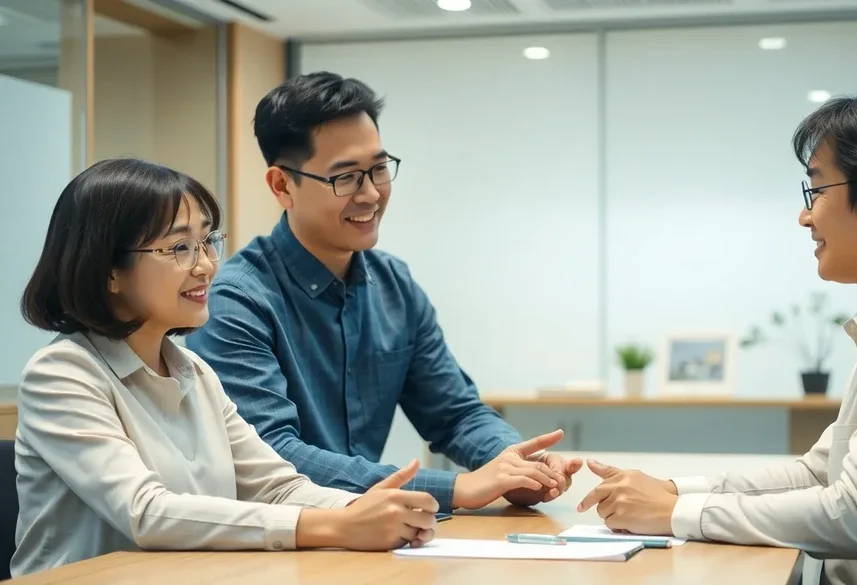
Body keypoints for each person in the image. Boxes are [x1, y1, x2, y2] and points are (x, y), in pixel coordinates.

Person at [578, 82, 857, 585]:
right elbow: (819, 472)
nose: (805, 216)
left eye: (817, 190)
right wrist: (673, 490)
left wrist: (673, 514)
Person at [12, 159, 439, 577]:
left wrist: (359, 509)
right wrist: (337, 524)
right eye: (180, 247)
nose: (205, 265)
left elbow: (278, 487)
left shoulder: (193, 370)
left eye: (206, 241)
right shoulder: (62, 373)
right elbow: (146, 512)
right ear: (109, 272)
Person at [185, 72, 582, 513]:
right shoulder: (235, 300)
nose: (371, 193)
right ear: (282, 186)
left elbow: (454, 413)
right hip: (278, 541)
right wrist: (454, 488)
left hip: (373, 536)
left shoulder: (394, 285)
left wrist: (514, 464)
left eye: (378, 168)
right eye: (346, 178)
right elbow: (273, 455)